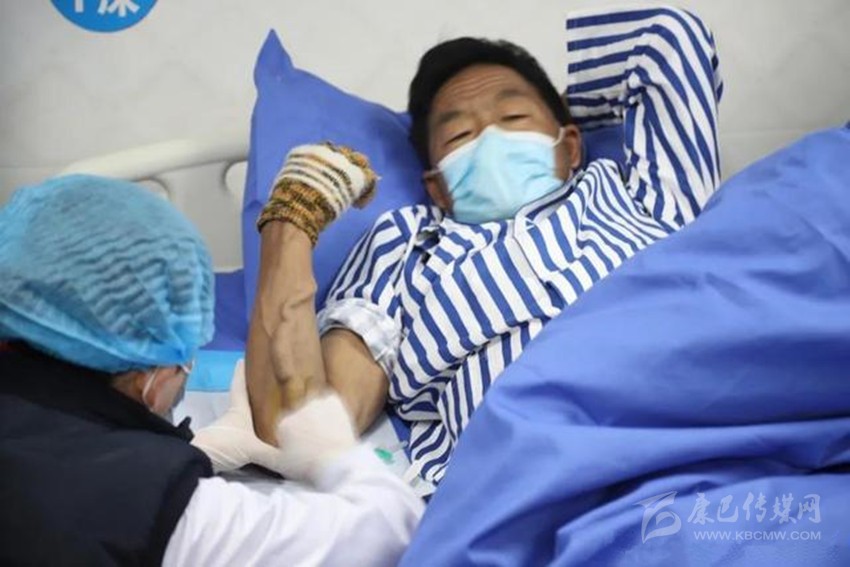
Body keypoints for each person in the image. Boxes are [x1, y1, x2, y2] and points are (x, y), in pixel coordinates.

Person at [247, 6, 724, 495]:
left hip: (703, 429)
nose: (491, 139)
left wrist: (576, 111)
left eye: (515, 117)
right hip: (539, 480)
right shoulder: (405, 248)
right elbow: (303, 428)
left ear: (571, 146)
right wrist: (290, 221)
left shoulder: (643, 194)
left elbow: (670, 39)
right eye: (460, 136)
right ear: (437, 187)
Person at [0, 174, 423, 566]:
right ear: (150, 378)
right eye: (186, 358)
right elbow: (388, 531)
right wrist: (336, 456)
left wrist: (196, 452)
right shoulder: (146, 505)